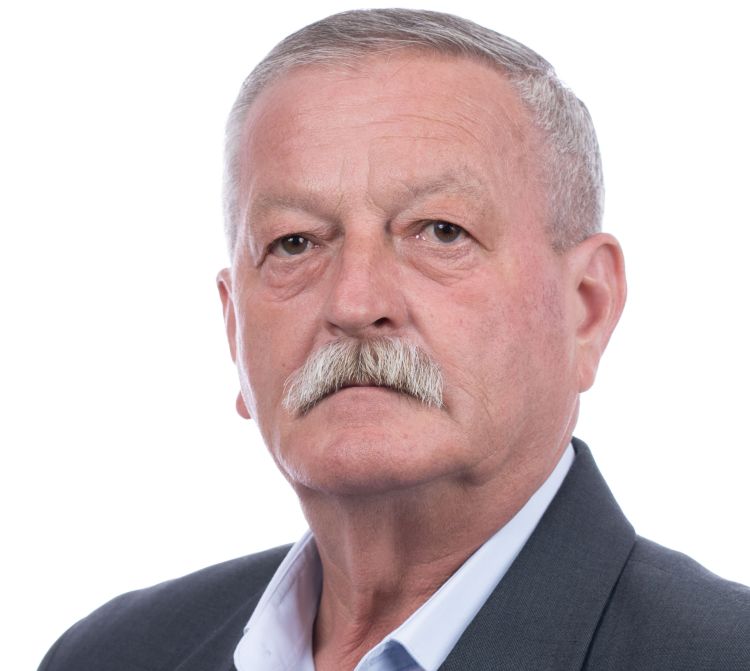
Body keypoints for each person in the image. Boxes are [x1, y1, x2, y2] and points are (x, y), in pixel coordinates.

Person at [38, 8, 750, 671]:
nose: (355, 303)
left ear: (586, 308)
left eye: (440, 232)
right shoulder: (110, 655)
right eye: (294, 243)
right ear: (234, 329)